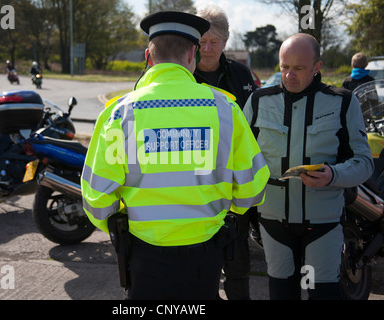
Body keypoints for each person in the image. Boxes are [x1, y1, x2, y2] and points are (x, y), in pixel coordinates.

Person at [81, 11, 270, 300]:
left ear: (148, 55)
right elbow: (252, 188)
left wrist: (123, 221)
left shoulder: (119, 114)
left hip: (144, 255)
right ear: (193, 54)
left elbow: (96, 197)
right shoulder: (225, 110)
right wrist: (224, 212)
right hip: (206, 256)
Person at [243, 33, 374, 300]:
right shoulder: (258, 101)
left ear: (317, 67)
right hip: (273, 223)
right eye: (284, 67)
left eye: (299, 68)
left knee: (320, 293)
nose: (289, 75)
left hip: (323, 224)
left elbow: (364, 163)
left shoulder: (343, 102)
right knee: (282, 293)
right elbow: (240, 158)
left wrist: (333, 175)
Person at [195, 4, 258, 300]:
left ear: (225, 42)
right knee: (200, 262)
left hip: (233, 181)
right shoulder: (182, 75)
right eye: (201, 42)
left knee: (237, 260)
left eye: (214, 42)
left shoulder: (242, 75)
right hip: (195, 184)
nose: (207, 49)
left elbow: (254, 126)